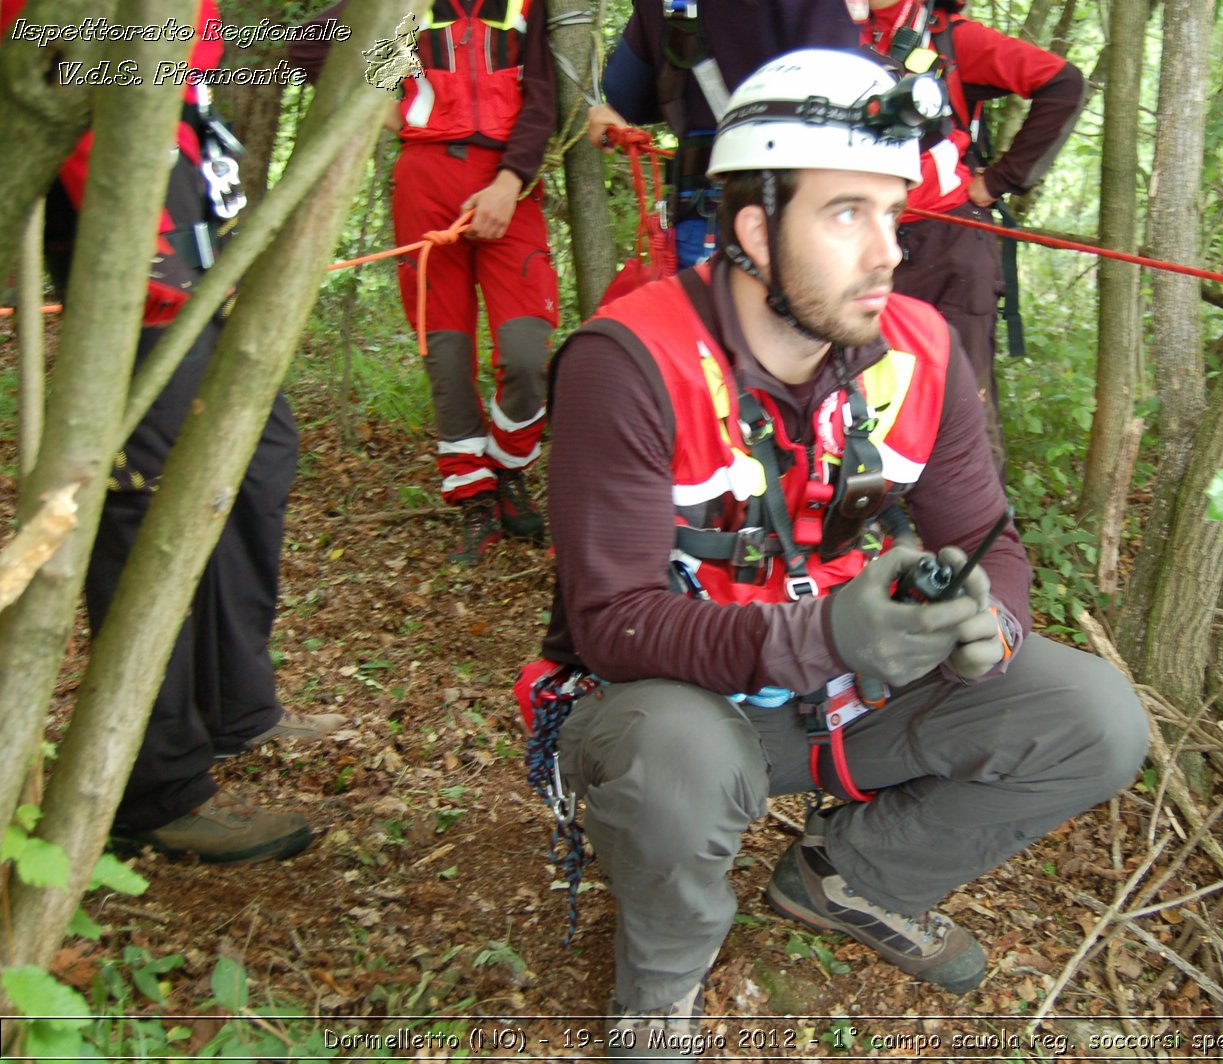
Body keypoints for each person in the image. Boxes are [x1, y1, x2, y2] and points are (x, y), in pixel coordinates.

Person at [541, 49, 1147, 1059]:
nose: (887, 253)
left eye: (891, 212)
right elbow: (612, 620)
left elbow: (989, 539)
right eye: (844, 214)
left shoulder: (918, 351)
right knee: (675, 761)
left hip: (849, 697)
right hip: (681, 706)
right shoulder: (629, 363)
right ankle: (662, 979)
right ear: (751, 230)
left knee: (1091, 717)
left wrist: (983, 621)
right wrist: (820, 632)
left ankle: (849, 876)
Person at [1, 0, 347, 865]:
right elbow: (58, 72)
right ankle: (156, 785)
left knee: (259, 459)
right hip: (132, 257)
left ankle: (236, 706)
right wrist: (140, 246)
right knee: (146, 508)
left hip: (201, 245)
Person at [292, 1, 560, 563]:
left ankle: (509, 466)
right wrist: (385, 98)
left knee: (526, 352)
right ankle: (475, 496)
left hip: (509, 183)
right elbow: (308, 44)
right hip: (425, 178)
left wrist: (510, 183)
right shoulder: (400, 4)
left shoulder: (525, 5)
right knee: (445, 348)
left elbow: (542, 98)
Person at [862, 0, 1086, 475]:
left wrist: (999, 180)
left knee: (961, 400)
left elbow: (1063, 83)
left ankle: (976, 542)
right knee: (861, 400)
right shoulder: (832, 31)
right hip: (860, 240)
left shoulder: (952, 38)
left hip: (949, 245)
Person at [584, 1, 862, 269]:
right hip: (798, 208)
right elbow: (847, 93)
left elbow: (625, 94)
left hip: (700, 210)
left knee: (706, 315)